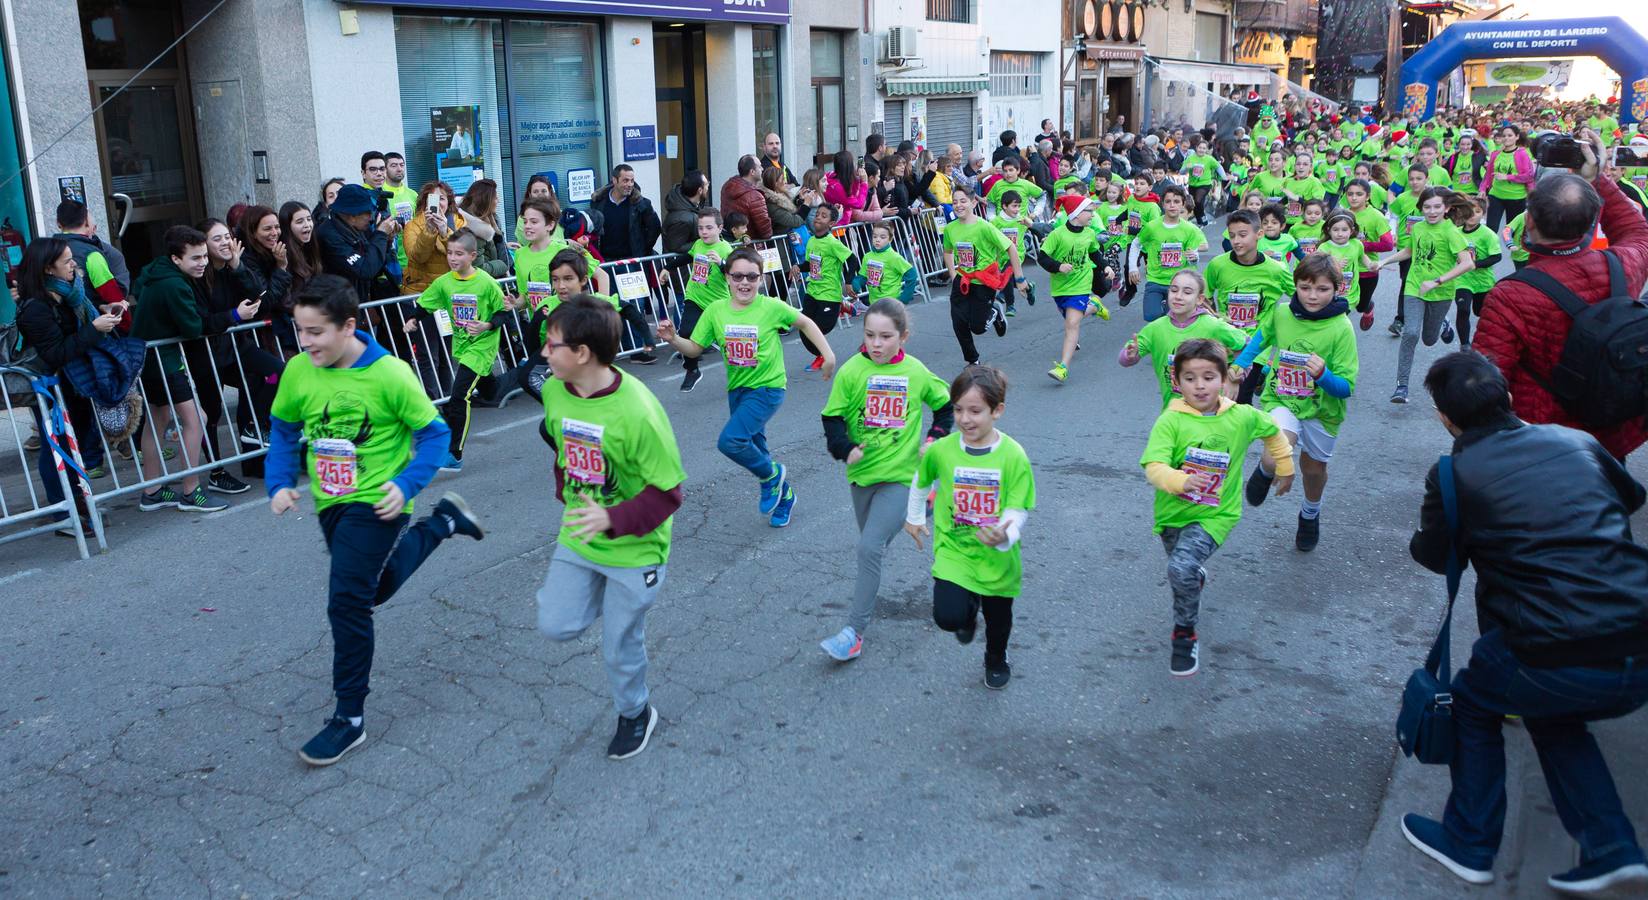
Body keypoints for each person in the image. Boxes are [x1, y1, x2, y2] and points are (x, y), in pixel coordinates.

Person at [1401, 351, 1648, 896]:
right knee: (1551, 713)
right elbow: (1631, 498)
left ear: (1446, 419)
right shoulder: (1575, 440)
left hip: (1552, 646)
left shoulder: (1452, 472)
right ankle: (1611, 847)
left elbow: (1432, 554)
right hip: (1638, 637)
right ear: (1509, 398)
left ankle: (1469, 843)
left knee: (1471, 701)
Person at [266, 274, 483, 766]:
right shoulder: (301, 370)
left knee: (346, 603)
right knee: (372, 590)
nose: (306, 342)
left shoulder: (390, 374)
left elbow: (435, 436)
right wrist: (279, 482)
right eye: (300, 331)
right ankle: (443, 523)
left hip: (379, 501)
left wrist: (405, 485)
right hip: (331, 500)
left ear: (349, 326)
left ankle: (349, 718)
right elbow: (283, 429)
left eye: (316, 332)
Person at [535, 294, 686, 761]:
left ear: (581, 353)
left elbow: (669, 494)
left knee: (619, 645)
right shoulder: (554, 389)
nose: (543, 352)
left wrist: (613, 518)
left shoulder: (639, 411)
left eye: (552, 344)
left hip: (636, 547)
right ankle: (600, 592)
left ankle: (636, 712)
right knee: (556, 625)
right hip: (580, 532)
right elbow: (559, 439)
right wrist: (567, 489)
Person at [1474, 134, 1648, 460]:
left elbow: (1489, 382)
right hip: (1614, 433)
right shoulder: (1624, 264)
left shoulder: (1511, 295)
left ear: (1528, 221)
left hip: (1544, 440)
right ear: (1590, 224)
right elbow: (1637, 231)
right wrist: (1597, 179)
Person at [1140, 338, 1294, 675]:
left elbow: (1272, 430)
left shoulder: (1240, 417)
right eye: (1190, 378)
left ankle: (1184, 633)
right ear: (1176, 382)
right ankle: (1194, 574)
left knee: (1179, 569)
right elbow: (1153, 467)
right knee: (1183, 567)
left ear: (1224, 379)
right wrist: (1180, 481)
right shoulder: (1170, 421)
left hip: (1216, 514)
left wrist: (1284, 466)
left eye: (1209, 376)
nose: (1200, 385)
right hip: (1172, 514)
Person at [656, 246, 834, 529]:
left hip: (768, 388)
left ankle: (772, 477)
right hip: (738, 390)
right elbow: (694, 349)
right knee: (755, 446)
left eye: (752, 277)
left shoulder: (771, 307)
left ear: (761, 279)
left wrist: (827, 354)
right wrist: (673, 339)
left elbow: (805, 322)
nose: (744, 283)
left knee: (731, 441)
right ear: (726, 277)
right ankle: (785, 496)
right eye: (737, 276)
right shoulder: (716, 311)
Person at [817, 298, 953, 661]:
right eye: (870, 335)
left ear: (903, 337)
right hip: (862, 476)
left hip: (902, 477)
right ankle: (923, 505)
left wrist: (934, 438)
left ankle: (853, 632)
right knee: (872, 545)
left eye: (885, 337)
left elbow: (944, 407)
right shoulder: (851, 371)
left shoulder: (915, 371)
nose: (876, 344)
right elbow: (832, 418)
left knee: (869, 548)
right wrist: (845, 449)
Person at [905, 366, 1036, 690]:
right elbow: (921, 482)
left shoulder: (1013, 455)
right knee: (948, 617)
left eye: (975, 411)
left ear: (997, 410)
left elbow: (1018, 508)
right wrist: (915, 517)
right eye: (959, 409)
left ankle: (996, 658)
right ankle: (965, 613)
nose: (965, 419)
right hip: (955, 549)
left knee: (998, 619)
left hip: (997, 556)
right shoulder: (942, 450)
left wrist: (1005, 532)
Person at [1233, 254, 1359, 551]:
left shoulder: (1342, 329)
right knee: (1275, 453)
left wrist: (1324, 375)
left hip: (1322, 411)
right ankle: (1265, 470)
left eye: (1322, 289)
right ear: (1295, 286)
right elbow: (1261, 339)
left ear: (1336, 289)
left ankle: (1309, 514)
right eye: (1305, 287)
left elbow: (1345, 388)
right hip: (1282, 399)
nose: (1312, 296)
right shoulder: (1282, 314)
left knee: (1313, 470)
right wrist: (1240, 363)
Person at [13, 236, 119, 534]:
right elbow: (55, 353)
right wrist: (94, 330)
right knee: (56, 448)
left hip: (76, 383)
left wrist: (101, 312)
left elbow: (76, 330)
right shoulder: (35, 308)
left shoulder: (71, 294)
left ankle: (80, 503)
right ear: (48, 268)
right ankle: (64, 514)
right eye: (68, 261)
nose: (75, 265)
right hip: (50, 386)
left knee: (77, 444)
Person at [128, 226, 227, 513]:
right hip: (165, 362)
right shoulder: (175, 285)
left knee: (157, 421)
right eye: (195, 258)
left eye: (204, 257)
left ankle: (152, 490)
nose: (203, 263)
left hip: (149, 361)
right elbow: (193, 327)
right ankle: (191, 492)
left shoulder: (154, 274)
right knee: (196, 419)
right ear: (175, 259)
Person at [406, 228, 508, 472]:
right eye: (450, 253)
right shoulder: (444, 282)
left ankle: (454, 454)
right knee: (489, 389)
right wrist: (413, 319)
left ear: (473, 256)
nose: (453, 258)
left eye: (459, 254)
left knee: (459, 396)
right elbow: (424, 304)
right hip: (462, 346)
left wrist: (486, 325)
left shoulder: (486, 283)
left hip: (481, 347)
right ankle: (510, 383)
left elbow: (503, 312)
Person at [1378, 188, 1477, 403]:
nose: (1431, 211)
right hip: (1415, 287)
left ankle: (1443, 324)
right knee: (1411, 333)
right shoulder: (1418, 227)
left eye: (1436, 207)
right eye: (1427, 207)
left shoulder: (1451, 231)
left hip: (1440, 292)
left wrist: (1437, 281)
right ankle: (1401, 387)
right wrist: (1384, 261)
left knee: (1429, 340)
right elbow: (1410, 251)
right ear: (1421, 208)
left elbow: (1468, 263)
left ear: (1447, 208)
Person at [1120, 270, 1248, 408]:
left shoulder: (1213, 326)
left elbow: (1247, 345)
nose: (1178, 296)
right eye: (1174, 290)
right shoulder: (1156, 328)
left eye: (1187, 292)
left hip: (1212, 412)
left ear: (1199, 299)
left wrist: (1235, 376)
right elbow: (1124, 360)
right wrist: (1130, 354)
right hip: (1174, 413)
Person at [1203, 210, 1293, 404]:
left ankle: (1262, 374)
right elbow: (1204, 297)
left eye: (1243, 235)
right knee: (1219, 401)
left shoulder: (1277, 269)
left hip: (1256, 346)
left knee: (1241, 397)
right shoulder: (1217, 265)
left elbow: (1299, 297)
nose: (1236, 241)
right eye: (1232, 235)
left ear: (1259, 234)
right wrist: (1214, 315)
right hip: (1224, 342)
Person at [942, 183, 1023, 365]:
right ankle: (973, 360)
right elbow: (947, 251)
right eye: (955, 202)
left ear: (973, 203)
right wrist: (953, 274)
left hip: (983, 281)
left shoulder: (984, 227)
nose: (958, 205)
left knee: (978, 328)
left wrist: (1020, 278)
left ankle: (994, 311)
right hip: (962, 280)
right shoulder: (950, 228)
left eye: (963, 201)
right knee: (959, 323)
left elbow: (1010, 247)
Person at [1037, 197, 1114, 383]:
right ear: (1076, 214)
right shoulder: (1058, 235)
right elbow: (1042, 257)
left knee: (1072, 323)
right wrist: (1058, 267)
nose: (1092, 215)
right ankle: (1094, 305)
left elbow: (1095, 252)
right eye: (1089, 211)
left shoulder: (1088, 234)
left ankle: (1062, 367)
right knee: (1071, 317)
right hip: (1061, 287)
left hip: (1081, 284)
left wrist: (1105, 266)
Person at [1128, 184, 1206, 322]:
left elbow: (1192, 258)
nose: (1172, 205)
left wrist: (1194, 257)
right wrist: (1133, 268)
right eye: (1168, 201)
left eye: (1176, 202)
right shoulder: (1152, 227)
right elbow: (1136, 244)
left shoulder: (1190, 230)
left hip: (1178, 283)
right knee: (1151, 316)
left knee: (1173, 320)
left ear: (1183, 204)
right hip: (1156, 280)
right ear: (1163, 204)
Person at [316, 184, 401, 304]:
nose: (371, 217)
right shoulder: (329, 236)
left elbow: (375, 266)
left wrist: (387, 241)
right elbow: (365, 269)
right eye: (367, 212)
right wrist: (380, 234)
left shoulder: (355, 228)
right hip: (337, 307)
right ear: (352, 215)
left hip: (356, 301)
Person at [54, 199, 129, 305]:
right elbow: (114, 298)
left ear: (58, 223)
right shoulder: (92, 255)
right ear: (86, 223)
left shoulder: (47, 250)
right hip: (94, 317)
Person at [401, 181, 466, 296]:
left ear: (448, 202)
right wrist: (429, 231)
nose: (438, 203)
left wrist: (445, 232)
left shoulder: (459, 222)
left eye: (442, 198)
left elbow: (464, 256)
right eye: (432, 199)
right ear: (425, 202)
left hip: (453, 289)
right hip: (422, 291)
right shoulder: (412, 225)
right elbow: (418, 258)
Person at [591, 163, 663, 260]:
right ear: (615, 180)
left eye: (632, 181)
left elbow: (655, 228)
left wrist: (642, 250)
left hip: (632, 261)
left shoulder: (642, 204)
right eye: (625, 181)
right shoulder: (598, 202)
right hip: (606, 261)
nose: (629, 185)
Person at [1479, 125, 1535, 231]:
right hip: (1496, 195)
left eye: (1510, 135)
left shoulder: (1522, 154)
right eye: (1504, 136)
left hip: (1516, 198)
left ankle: (1513, 248)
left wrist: (1507, 177)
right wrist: (1482, 189)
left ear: (1517, 137)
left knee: (1512, 232)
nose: (1506, 138)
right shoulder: (1496, 154)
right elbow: (1488, 174)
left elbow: (1528, 176)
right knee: (1491, 229)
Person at [457, 179, 513, 280]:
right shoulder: (473, 229)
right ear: (485, 201)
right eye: (495, 198)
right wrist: (502, 264)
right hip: (481, 286)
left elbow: (489, 249)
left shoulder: (490, 219)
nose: (498, 201)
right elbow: (477, 268)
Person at [853, 220, 919, 304]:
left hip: (891, 302)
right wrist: (856, 283)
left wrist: (905, 297)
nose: (877, 240)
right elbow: (863, 276)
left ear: (890, 239)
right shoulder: (867, 256)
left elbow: (912, 275)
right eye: (875, 236)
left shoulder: (894, 257)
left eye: (882, 237)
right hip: (874, 302)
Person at [716, 155, 775, 242]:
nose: (762, 169)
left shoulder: (727, 186)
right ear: (752, 172)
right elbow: (766, 232)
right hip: (749, 245)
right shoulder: (755, 196)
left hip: (729, 242)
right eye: (759, 166)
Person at [661, 170, 711, 258]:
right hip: (682, 268)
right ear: (700, 190)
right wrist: (704, 242)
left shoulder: (696, 205)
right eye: (707, 184)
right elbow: (676, 247)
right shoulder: (682, 219)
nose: (708, 187)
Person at [824, 151, 882, 224]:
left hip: (833, 221)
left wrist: (856, 178)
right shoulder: (839, 188)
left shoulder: (828, 176)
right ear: (850, 165)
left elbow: (852, 193)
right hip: (839, 224)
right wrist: (864, 183)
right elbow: (858, 204)